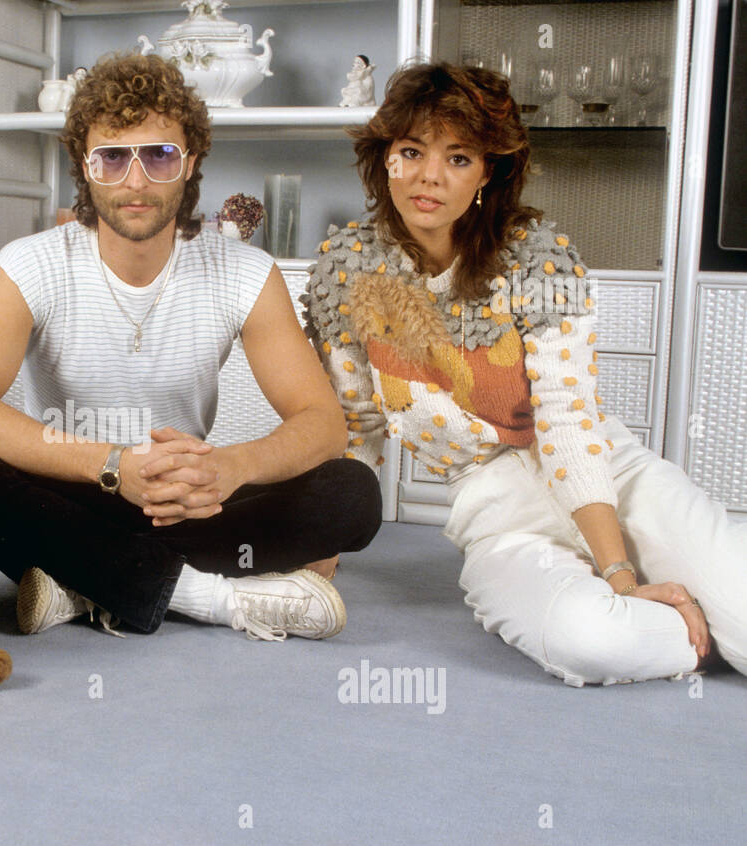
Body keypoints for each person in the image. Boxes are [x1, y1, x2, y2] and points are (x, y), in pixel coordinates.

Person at [303, 61, 747, 685]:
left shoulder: (536, 257)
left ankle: (700, 609)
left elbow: (566, 418)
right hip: (499, 516)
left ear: (489, 171)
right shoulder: (346, 271)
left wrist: (617, 571)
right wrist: (319, 556)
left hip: (610, 478)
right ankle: (693, 624)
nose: (429, 176)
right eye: (410, 152)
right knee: (590, 641)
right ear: (385, 160)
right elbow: (356, 426)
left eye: (459, 158)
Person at [0, 53, 382, 642]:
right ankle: (215, 597)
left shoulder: (245, 271)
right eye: (113, 157)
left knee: (352, 493)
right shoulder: (31, 264)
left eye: (159, 155)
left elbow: (323, 423)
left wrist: (231, 467)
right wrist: (115, 466)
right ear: (85, 167)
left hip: (190, 498)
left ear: (189, 162)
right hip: (75, 488)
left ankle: (81, 580)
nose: (135, 181)